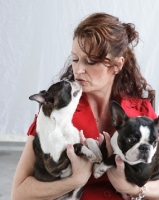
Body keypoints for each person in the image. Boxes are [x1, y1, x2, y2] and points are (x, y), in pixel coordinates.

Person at [11, 12, 159, 200]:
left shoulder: (142, 112)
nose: (78, 69)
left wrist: (134, 188)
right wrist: (75, 180)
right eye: (75, 59)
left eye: (90, 61)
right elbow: (19, 192)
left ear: (117, 65)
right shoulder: (57, 112)